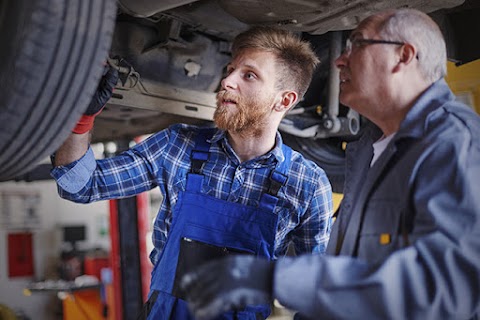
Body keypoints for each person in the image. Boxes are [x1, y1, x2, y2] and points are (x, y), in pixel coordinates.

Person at [180, 8, 480, 320]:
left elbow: (446, 290)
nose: (339, 60)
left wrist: (275, 278)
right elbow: (348, 266)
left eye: (358, 44)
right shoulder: (370, 148)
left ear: (403, 56)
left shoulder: (454, 144)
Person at [51, 26, 333, 319]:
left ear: (284, 100)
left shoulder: (307, 184)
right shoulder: (177, 146)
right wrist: (81, 118)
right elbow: (79, 185)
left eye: (248, 75)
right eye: (230, 69)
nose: (226, 81)